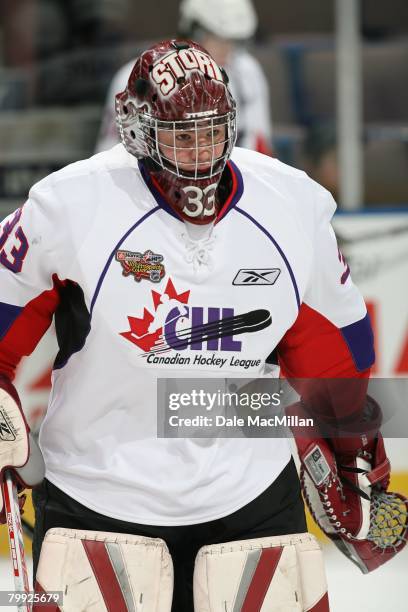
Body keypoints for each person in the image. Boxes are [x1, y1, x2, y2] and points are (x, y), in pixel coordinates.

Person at [0, 39, 406, 612]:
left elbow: (337, 357)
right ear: (140, 131)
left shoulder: (292, 204)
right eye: (180, 136)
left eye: (212, 133)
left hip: (251, 495)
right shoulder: (67, 205)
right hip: (97, 493)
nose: (198, 154)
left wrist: (357, 453)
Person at [95, 0, 273, 155]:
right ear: (193, 30)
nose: (228, 51)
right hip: (153, 188)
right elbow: (113, 153)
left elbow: (259, 145)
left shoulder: (246, 72)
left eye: (233, 41)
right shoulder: (138, 76)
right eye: (220, 40)